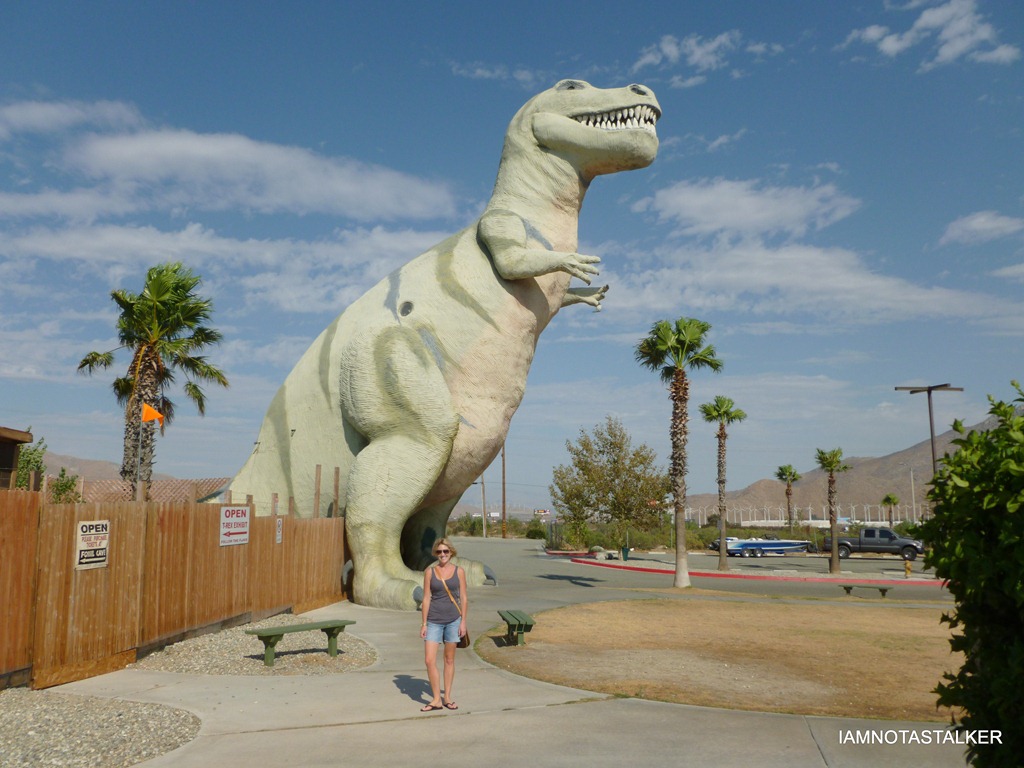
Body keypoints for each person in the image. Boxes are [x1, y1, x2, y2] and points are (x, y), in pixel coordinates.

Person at [419, 537, 468, 711]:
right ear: (436, 554)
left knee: (449, 660)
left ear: (451, 552)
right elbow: (426, 598)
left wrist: (463, 622)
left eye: (445, 551)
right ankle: (435, 699)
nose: (442, 554)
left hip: (454, 620)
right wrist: (424, 623)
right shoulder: (430, 572)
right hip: (433, 620)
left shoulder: (459, 571)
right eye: (439, 552)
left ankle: (446, 697)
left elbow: (463, 597)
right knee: (429, 660)